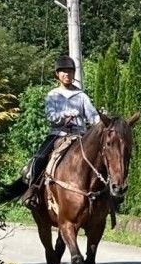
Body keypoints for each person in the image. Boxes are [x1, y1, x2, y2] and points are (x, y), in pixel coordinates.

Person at [21, 55, 101, 208]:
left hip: (79, 136)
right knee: (39, 158)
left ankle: (109, 194)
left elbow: (92, 116)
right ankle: (32, 191)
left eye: (70, 72)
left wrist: (102, 123)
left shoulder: (82, 96)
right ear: (57, 74)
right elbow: (50, 116)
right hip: (58, 135)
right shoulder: (53, 95)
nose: (67, 75)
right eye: (63, 72)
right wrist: (64, 118)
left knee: (100, 158)